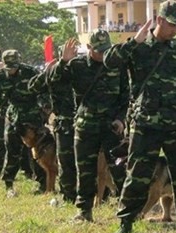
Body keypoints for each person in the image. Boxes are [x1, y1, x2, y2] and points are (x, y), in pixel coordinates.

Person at [104, 0, 176, 233]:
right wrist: (133, 42)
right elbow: (109, 61)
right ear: (159, 20)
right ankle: (126, 223)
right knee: (137, 174)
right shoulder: (139, 48)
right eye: (172, 24)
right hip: (145, 124)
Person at [47, 29, 129, 222]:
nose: (103, 54)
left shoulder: (117, 66)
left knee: (119, 169)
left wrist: (121, 118)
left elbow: (126, 97)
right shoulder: (77, 65)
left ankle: (127, 211)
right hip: (86, 127)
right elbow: (54, 83)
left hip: (111, 127)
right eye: (98, 50)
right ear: (89, 48)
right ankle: (84, 211)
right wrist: (63, 62)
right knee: (85, 171)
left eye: (105, 50)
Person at [0, 49, 48, 197]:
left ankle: (42, 183)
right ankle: (8, 184)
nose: (12, 70)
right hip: (13, 117)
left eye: (15, 67)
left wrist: (45, 110)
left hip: (32, 116)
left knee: (37, 151)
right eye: (9, 67)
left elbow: (43, 92)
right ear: (4, 64)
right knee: (12, 151)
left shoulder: (31, 72)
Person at [29, 47, 78, 203]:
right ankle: (69, 195)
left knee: (87, 161)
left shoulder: (83, 68)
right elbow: (33, 88)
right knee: (66, 161)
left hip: (86, 121)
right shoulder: (54, 73)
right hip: (64, 124)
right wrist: (46, 71)